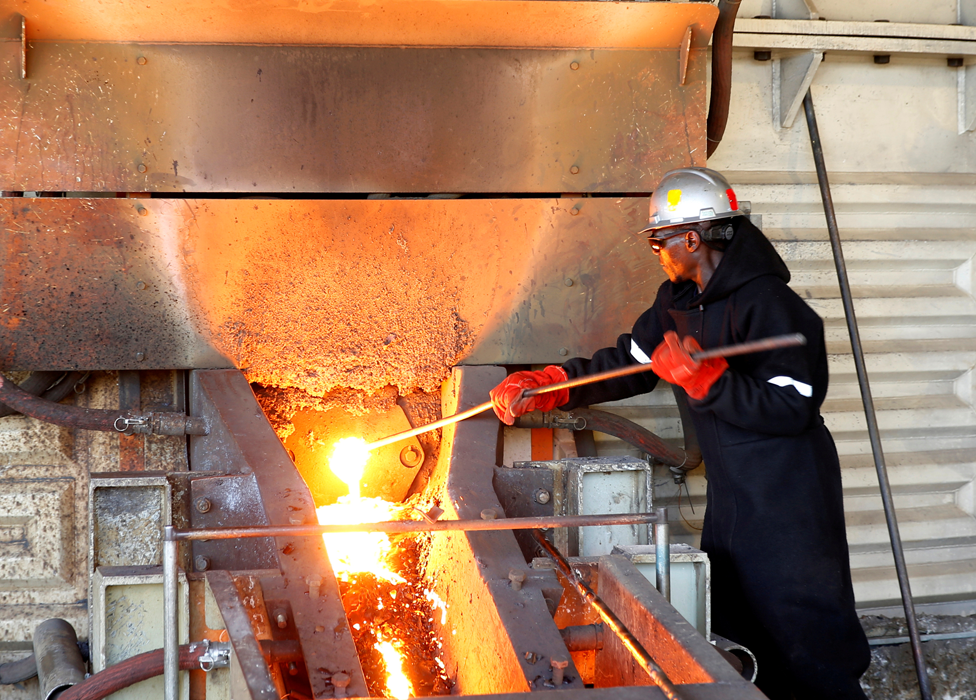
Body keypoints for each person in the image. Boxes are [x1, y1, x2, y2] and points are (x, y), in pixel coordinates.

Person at [489, 167, 870, 700]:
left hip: (791, 501)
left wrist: (708, 380)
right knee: (741, 624)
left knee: (807, 637)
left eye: (658, 240)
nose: (656, 251)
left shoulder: (772, 306)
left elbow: (793, 406)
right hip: (736, 496)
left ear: (692, 237)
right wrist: (554, 385)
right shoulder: (679, 302)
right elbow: (629, 363)